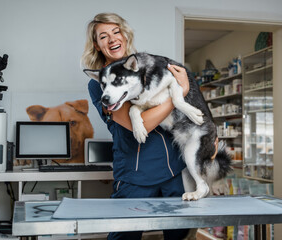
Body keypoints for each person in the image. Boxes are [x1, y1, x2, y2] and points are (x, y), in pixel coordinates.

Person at [82, 13, 190, 240]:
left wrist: (210, 135)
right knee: (125, 236)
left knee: (178, 235)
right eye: (103, 36)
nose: (112, 39)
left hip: (172, 168)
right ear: (97, 45)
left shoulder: (146, 67)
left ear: (124, 35)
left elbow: (185, 111)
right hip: (136, 173)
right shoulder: (98, 84)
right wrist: (180, 94)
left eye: (116, 32)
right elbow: (139, 126)